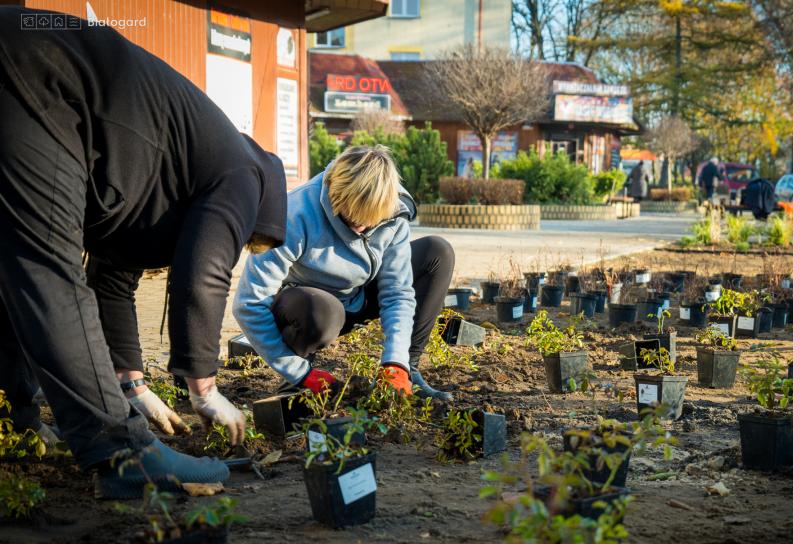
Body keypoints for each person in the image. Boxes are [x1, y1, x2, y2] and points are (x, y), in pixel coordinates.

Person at [0, 7, 287, 498]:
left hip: (31, 68)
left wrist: (134, 386)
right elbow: (204, 274)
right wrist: (204, 389)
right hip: (40, 79)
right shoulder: (244, 176)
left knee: (14, 269)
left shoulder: (175, 172)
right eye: (247, 241)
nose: (239, 247)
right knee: (47, 271)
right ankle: (124, 454)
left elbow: (113, 277)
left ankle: (16, 421)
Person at [234, 145, 454, 405]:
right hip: (310, 307)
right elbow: (249, 303)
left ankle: (409, 372)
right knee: (322, 312)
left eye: (369, 221)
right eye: (352, 218)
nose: (360, 228)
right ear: (336, 195)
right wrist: (301, 373)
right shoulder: (294, 215)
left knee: (437, 252)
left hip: (359, 295)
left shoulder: (394, 210)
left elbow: (398, 293)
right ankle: (295, 383)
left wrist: (396, 362)